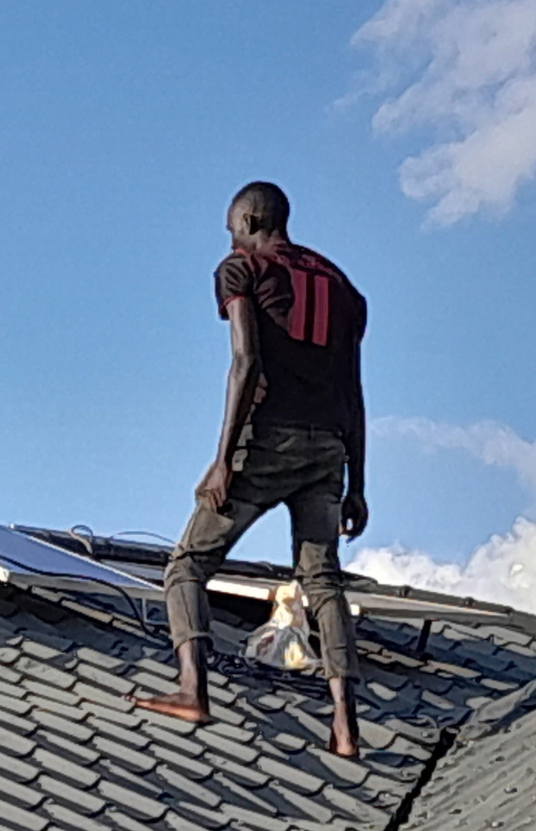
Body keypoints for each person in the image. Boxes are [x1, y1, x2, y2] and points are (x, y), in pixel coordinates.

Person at [131, 182, 369, 758]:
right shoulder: (344, 287)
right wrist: (357, 484)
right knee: (322, 580)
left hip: (265, 440)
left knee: (187, 564)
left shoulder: (242, 269)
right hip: (329, 446)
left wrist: (222, 461)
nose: (231, 237)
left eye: (232, 227)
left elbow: (245, 360)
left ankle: (193, 688)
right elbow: (354, 389)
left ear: (249, 218)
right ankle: (344, 725)